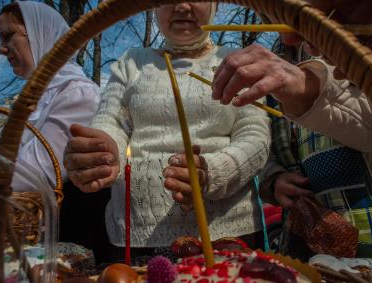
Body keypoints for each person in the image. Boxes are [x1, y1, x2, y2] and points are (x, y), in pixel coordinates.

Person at [63, 2, 271, 263]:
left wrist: (212, 172)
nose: (182, 6)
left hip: (226, 236)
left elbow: (255, 136)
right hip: (134, 238)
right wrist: (105, 151)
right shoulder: (131, 62)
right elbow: (111, 121)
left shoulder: (236, 61)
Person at [210, 12, 372, 254]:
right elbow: (270, 143)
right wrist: (274, 179)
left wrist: (305, 86)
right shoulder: (277, 54)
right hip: (307, 241)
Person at [0, 1, 100, 192]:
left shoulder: (78, 95)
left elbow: (34, 174)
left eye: (8, 36)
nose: (2, 49)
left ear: (41, 33)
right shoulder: (34, 100)